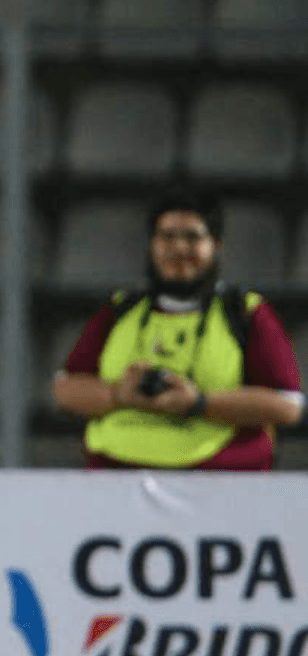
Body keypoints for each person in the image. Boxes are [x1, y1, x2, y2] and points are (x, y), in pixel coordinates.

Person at [52, 186, 303, 470]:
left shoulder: (245, 313)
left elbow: (287, 405)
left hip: (218, 483)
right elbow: (66, 389)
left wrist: (199, 403)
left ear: (217, 245)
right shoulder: (120, 310)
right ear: (152, 244)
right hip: (116, 477)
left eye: (193, 237)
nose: (179, 248)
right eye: (167, 236)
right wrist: (118, 395)